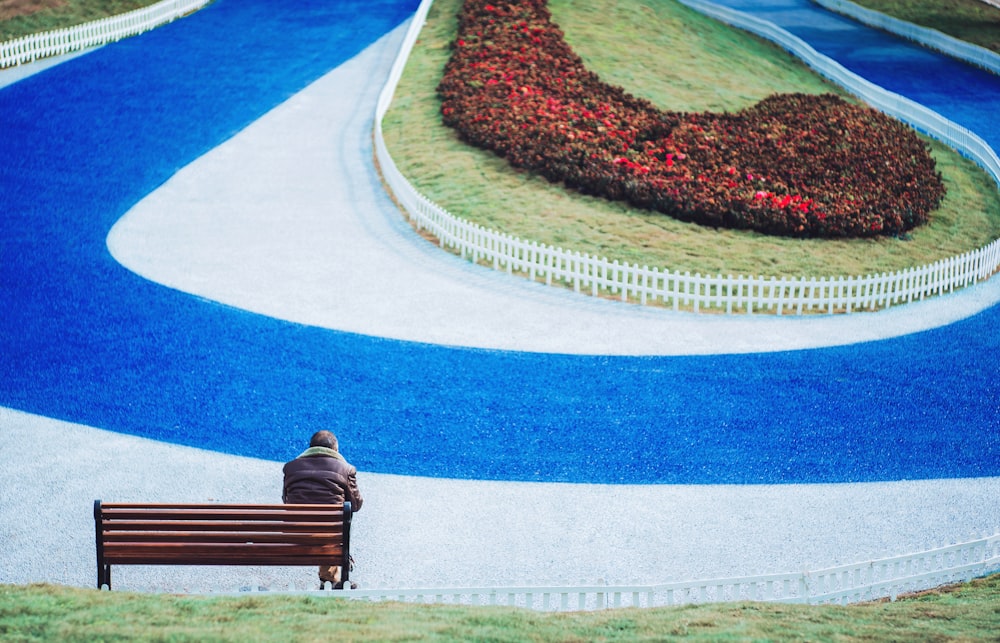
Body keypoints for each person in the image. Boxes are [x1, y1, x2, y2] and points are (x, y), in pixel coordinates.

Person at [283, 430, 364, 589]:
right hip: (329, 537)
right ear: (335, 449)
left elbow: (286, 500)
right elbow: (356, 505)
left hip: (295, 534)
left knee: (324, 525)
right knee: (333, 525)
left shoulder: (290, 468)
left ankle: (329, 580)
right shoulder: (346, 469)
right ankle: (330, 580)